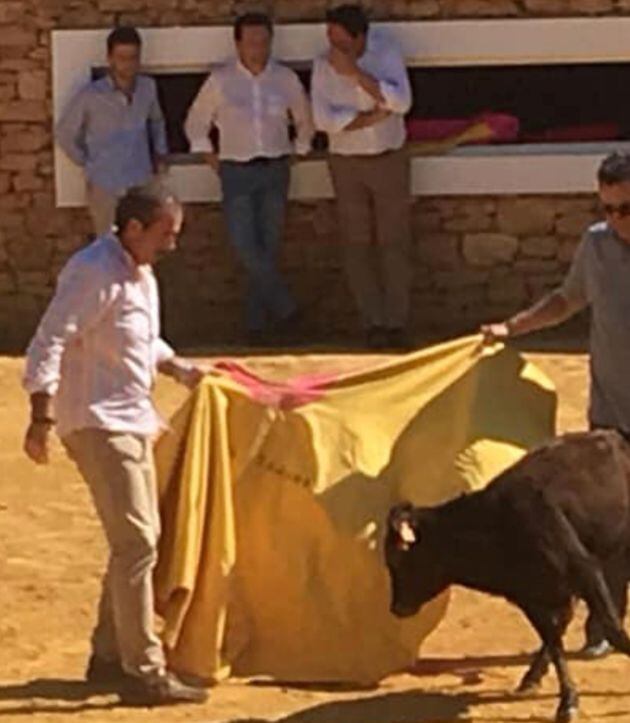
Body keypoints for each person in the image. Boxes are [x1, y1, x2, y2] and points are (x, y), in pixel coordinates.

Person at [23, 187, 209, 705]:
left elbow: (140, 340)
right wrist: (41, 414)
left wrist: (182, 370)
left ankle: (109, 657)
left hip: (128, 418)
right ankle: (142, 670)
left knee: (139, 540)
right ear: (132, 229)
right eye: (164, 233)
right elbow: (50, 339)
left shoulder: (138, 272)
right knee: (138, 544)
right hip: (97, 421)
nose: (170, 245)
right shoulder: (92, 271)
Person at [482, 150, 630, 660]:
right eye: (607, 208)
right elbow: (567, 300)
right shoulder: (596, 246)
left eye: (625, 209)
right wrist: (512, 328)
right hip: (612, 412)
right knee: (608, 528)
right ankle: (605, 626)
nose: (614, 220)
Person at [184, 12, 314, 345]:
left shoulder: (285, 78)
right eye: (251, 40)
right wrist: (210, 156)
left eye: (263, 39)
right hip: (236, 171)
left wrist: (299, 149)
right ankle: (286, 309)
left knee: (268, 247)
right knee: (245, 245)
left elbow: (304, 118)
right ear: (238, 42)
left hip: (275, 168)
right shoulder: (221, 80)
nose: (257, 47)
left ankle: (257, 327)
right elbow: (195, 123)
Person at [311, 4, 413, 350]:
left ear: (359, 38)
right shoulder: (322, 65)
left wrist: (355, 74)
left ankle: (396, 322)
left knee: (394, 242)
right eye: (330, 39)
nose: (333, 48)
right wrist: (369, 118)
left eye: (340, 41)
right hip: (345, 162)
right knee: (357, 245)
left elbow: (401, 102)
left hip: (389, 159)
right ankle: (372, 322)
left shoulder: (386, 53)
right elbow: (324, 121)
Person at [56, 26, 168, 236]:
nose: (128, 63)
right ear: (110, 58)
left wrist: (160, 154)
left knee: (145, 242)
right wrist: (89, 162)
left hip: (141, 179)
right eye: (122, 57)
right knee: (108, 247)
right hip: (106, 184)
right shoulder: (91, 95)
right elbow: (65, 133)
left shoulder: (148, 88)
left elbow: (156, 121)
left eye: (133, 57)